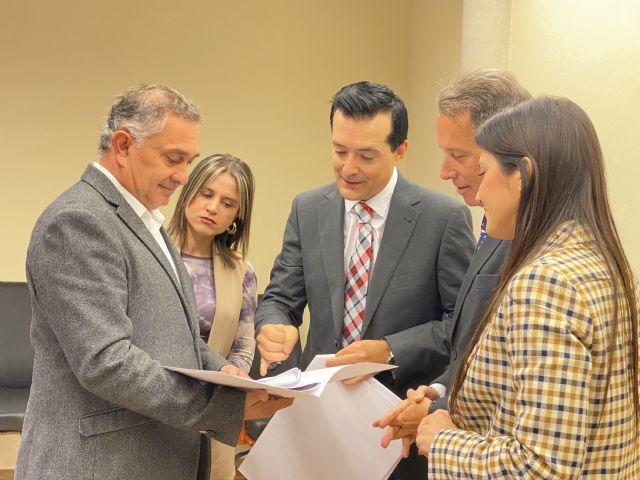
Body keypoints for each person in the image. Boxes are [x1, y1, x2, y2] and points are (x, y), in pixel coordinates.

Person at [15, 84, 290, 480]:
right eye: (174, 159)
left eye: (188, 161)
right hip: (100, 464)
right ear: (124, 145)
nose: (183, 177)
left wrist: (227, 375)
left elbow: (173, 335)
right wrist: (223, 406)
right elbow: (106, 362)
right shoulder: (78, 221)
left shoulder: (147, 223)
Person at [255, 80, 476, 478]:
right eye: (339, 151)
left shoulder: (442, 219)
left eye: (366, 156)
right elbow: (280, 298)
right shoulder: (308, 209)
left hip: (397, 426)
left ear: (400, 150)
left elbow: (462, 327)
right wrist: (274, 324)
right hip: (315, 422)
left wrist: (389, 350)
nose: (349, 168)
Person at [421, 96, 638, 477]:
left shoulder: (546, 282)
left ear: (522, 176)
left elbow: (540, 465)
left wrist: (442, 441)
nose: (481, 193)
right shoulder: (603, 263)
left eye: (485, 171)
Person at [374, 69, 532, 448]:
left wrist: (439, 413)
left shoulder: (536, 254)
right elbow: (472, 345)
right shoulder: (492, 226)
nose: (444, 171)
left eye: (459, 156)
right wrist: (437, 393)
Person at [168, 154, 257, 480]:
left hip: (214, 409)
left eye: (227, 202)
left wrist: (232, 379)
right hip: (152, 405)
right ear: (187, 190)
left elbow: (243, 347)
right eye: (206, 194)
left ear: (237, 215)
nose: (213, 207)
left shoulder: (242, 272)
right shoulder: (149, 251)